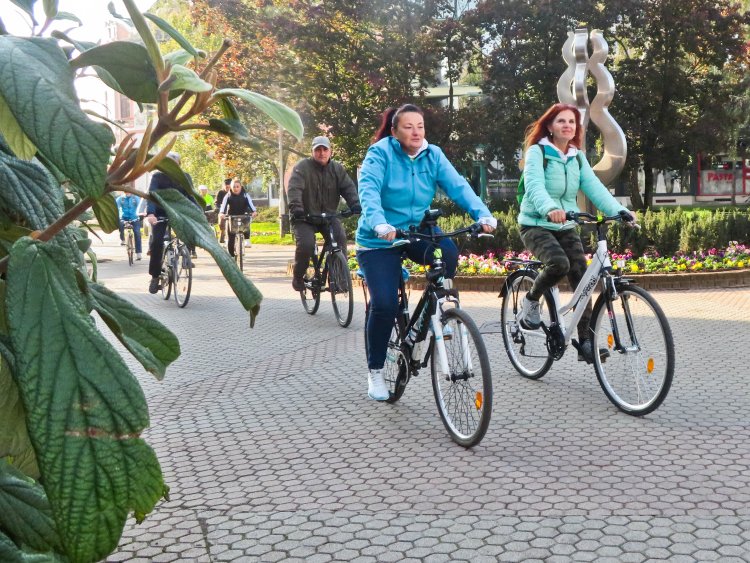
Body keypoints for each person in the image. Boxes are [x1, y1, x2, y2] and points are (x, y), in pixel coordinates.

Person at [356, 104, 497, 401]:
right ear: (394, 132)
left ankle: (434, 316)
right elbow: (368, 192)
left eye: (420, 126)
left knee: (447, 254)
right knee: (384, 304)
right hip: (379, 239)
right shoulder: (379, 154)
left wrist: (482, 215)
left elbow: (458, 186)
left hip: (415, 231)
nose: (416, 131)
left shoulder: (433, 155)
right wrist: (379, 223)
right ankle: (376, 371)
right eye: (408, 126)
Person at [517, 102, 636, 363]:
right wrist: (549, 208)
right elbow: (534, 185)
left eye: (571, 122)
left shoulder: (576, 156)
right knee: (559, 263)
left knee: (584, 280)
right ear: (550, 126)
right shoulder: (539, 153)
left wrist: (620, 211)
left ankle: (585, 342)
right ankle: (531, 300)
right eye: (561, 121)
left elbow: (594, 187)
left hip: (566, 224)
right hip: (536, 223)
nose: (567, 126)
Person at [287, 136, 361, 291]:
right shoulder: (302, 167)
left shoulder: (337, 169)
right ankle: (298, 276)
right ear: (312, 152)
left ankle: (338, 281)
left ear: (330, 151)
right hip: (305, 217)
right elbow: (295, 190)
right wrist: (297, 209)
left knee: (339, 239)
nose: (321, 153)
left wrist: (355, 205)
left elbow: (348, 188)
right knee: (306, 245)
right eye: (318, 150)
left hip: (328, 217)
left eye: (325, 149)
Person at [145, 152, 199, 294]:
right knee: (157, 242)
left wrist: (199, 212)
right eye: (168, 163)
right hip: (160, 214)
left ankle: (187, 255)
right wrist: (150, 213)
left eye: (174, 163)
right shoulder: (157, 177)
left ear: (179, 165)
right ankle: (155, 276)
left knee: (190, 229)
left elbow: (190, 196)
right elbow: (152, 195)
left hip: (179, 213)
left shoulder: (185, 177)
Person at [218, 178, 257, 257]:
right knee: (231, 237)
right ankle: (232, 256)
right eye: (234, 187)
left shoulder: (245, 194)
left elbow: (250, 203)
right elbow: (223, 205)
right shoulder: (228, 195)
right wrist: (221, 213)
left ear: (240, 187)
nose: (235, 188)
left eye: (237, 186)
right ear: (231, 187)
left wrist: (254, 211)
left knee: (246, 223)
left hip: (243, 213)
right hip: (232, 215)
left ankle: (247, 240)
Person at [116, 190, 142, 260]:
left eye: (129, 192)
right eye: (126, 192)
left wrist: (140, 214)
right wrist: (120, 217)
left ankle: (139, 253)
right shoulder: (120, 199)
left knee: (137, 233)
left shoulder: (135, 198)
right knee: (120, 225)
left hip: (134, 218)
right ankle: (122, 239)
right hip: (124, 218)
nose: (127, 193)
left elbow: (140, 206)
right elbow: (117, 208)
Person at [215, 178, 232, 243]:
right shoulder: (221, 192)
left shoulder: (233, 192)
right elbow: (217, 202)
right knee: (222, 223)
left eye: (229, 187)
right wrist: (218, 208)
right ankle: (222, 234)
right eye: (226, 187)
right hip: (223, 211)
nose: (227, 189)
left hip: (232, 211)